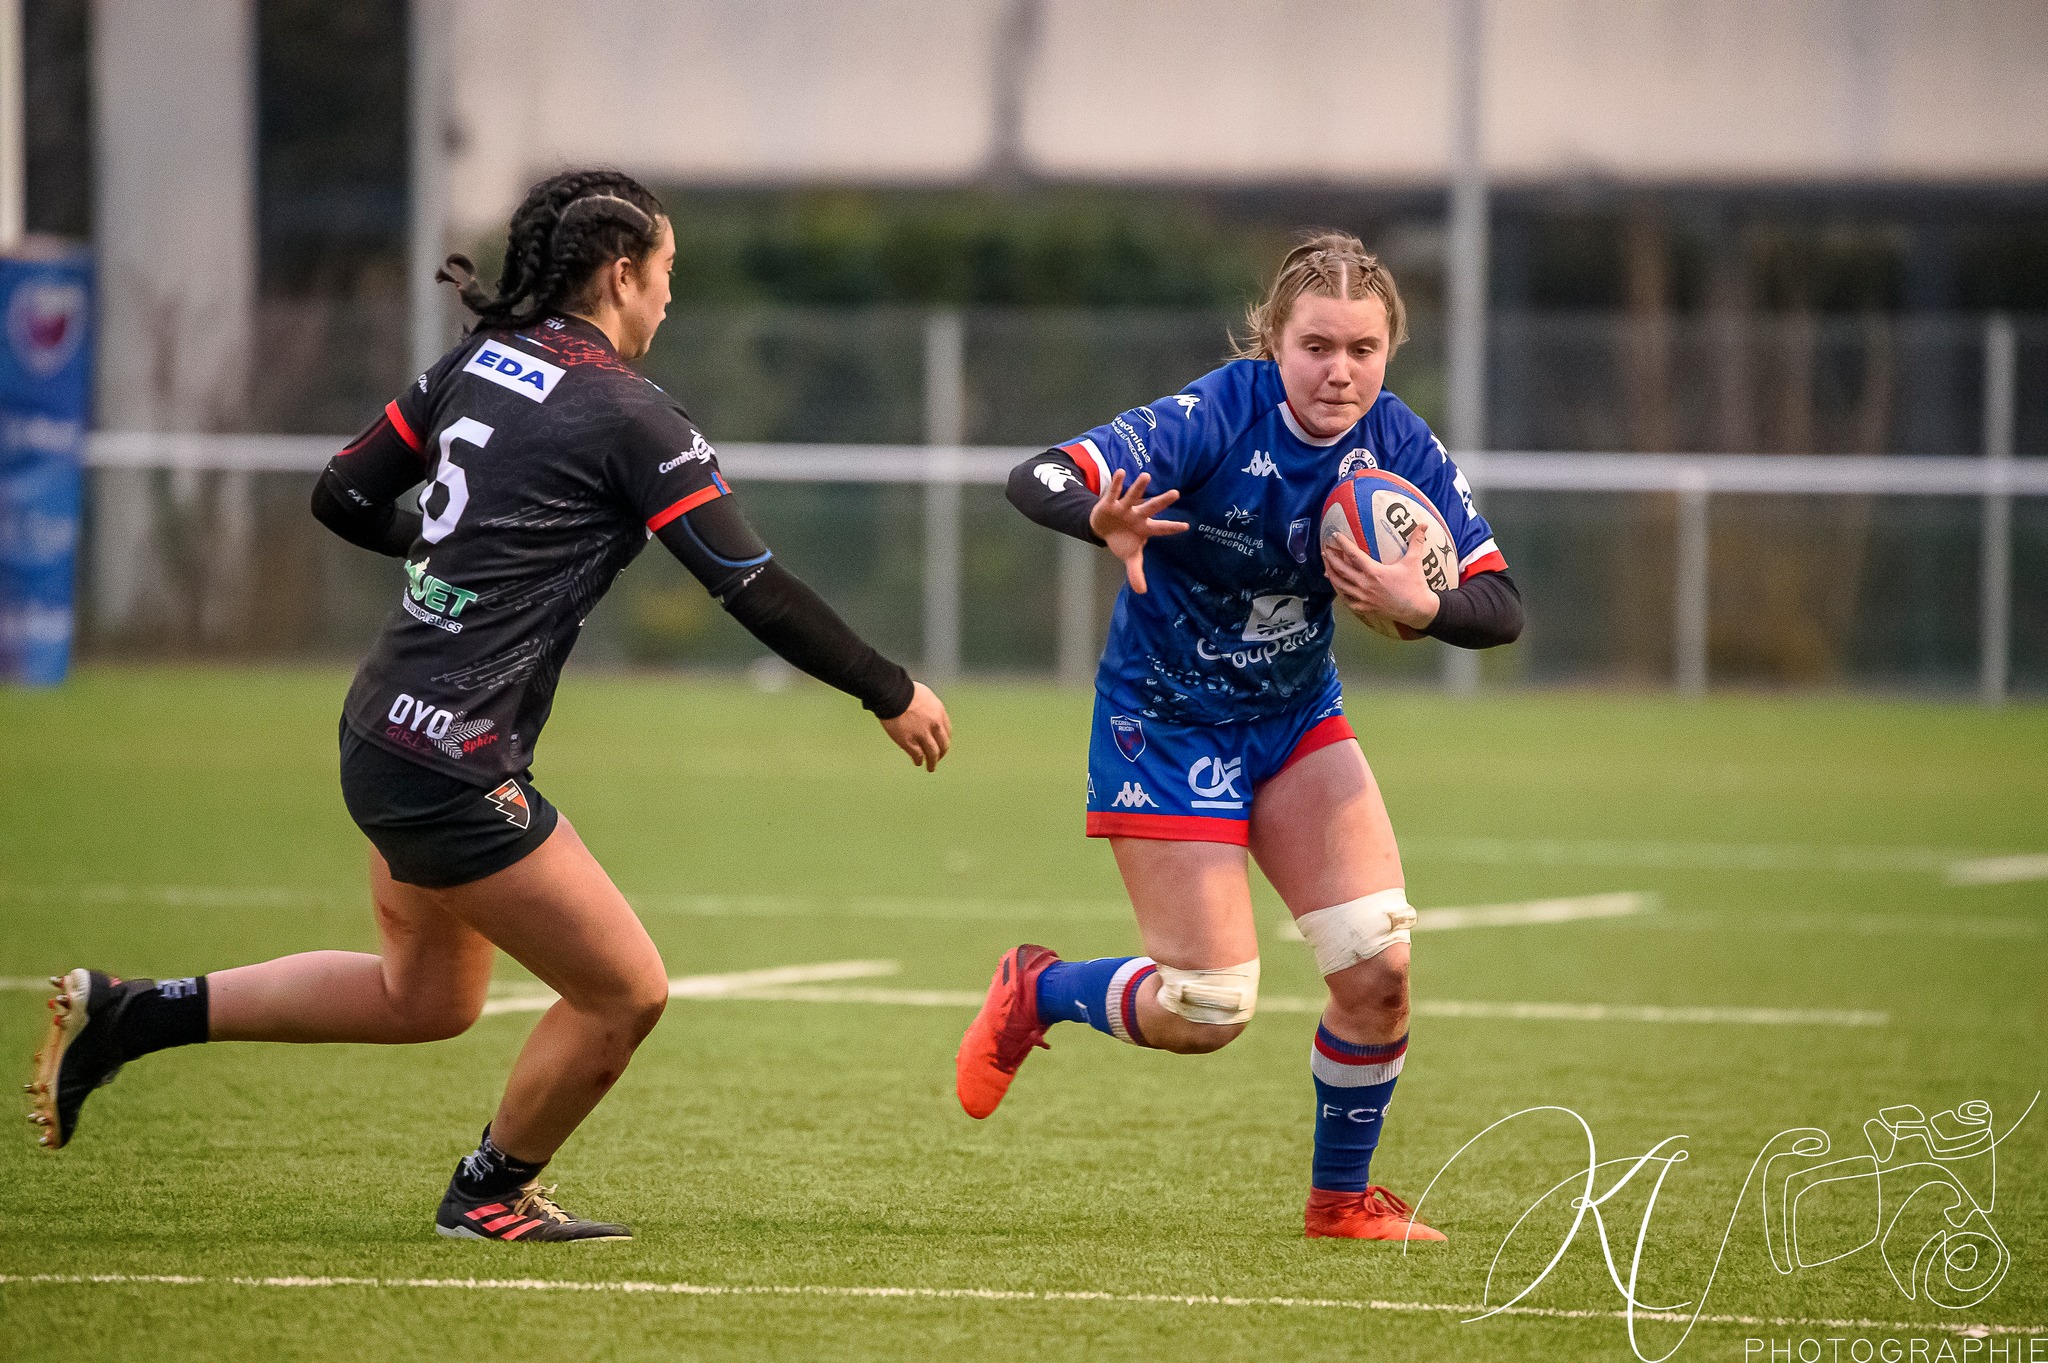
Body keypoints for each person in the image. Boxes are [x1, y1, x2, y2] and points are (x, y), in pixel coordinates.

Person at [28, 170, 951, 1243]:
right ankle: (488, 1192)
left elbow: (344, 493)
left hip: (384, 724)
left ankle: (134, 1014)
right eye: (665, 276)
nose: (667, 300)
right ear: (619, 273)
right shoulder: (629, 415)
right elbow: (749, 583)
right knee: (625, 993)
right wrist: (888, 689)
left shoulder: (482, 359)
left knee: (425, 1001)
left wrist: (447, 553)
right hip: (451, 760)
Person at [956, 232, 1520, 1241]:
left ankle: (1338, 1201)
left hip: (1295, 720)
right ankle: (1038, 989)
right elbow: (1033, 476)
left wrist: (1419, 603)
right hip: (1163, 725)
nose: (1338, 371)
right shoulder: (1212, 415)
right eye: (1315, 346)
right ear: (1274, 342)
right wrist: (1099, 516)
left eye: (1361, 347)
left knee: (1377, 971)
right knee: (1207, 1007)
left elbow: (1500, 604)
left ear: (1389, 349)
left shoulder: (1398, 444)